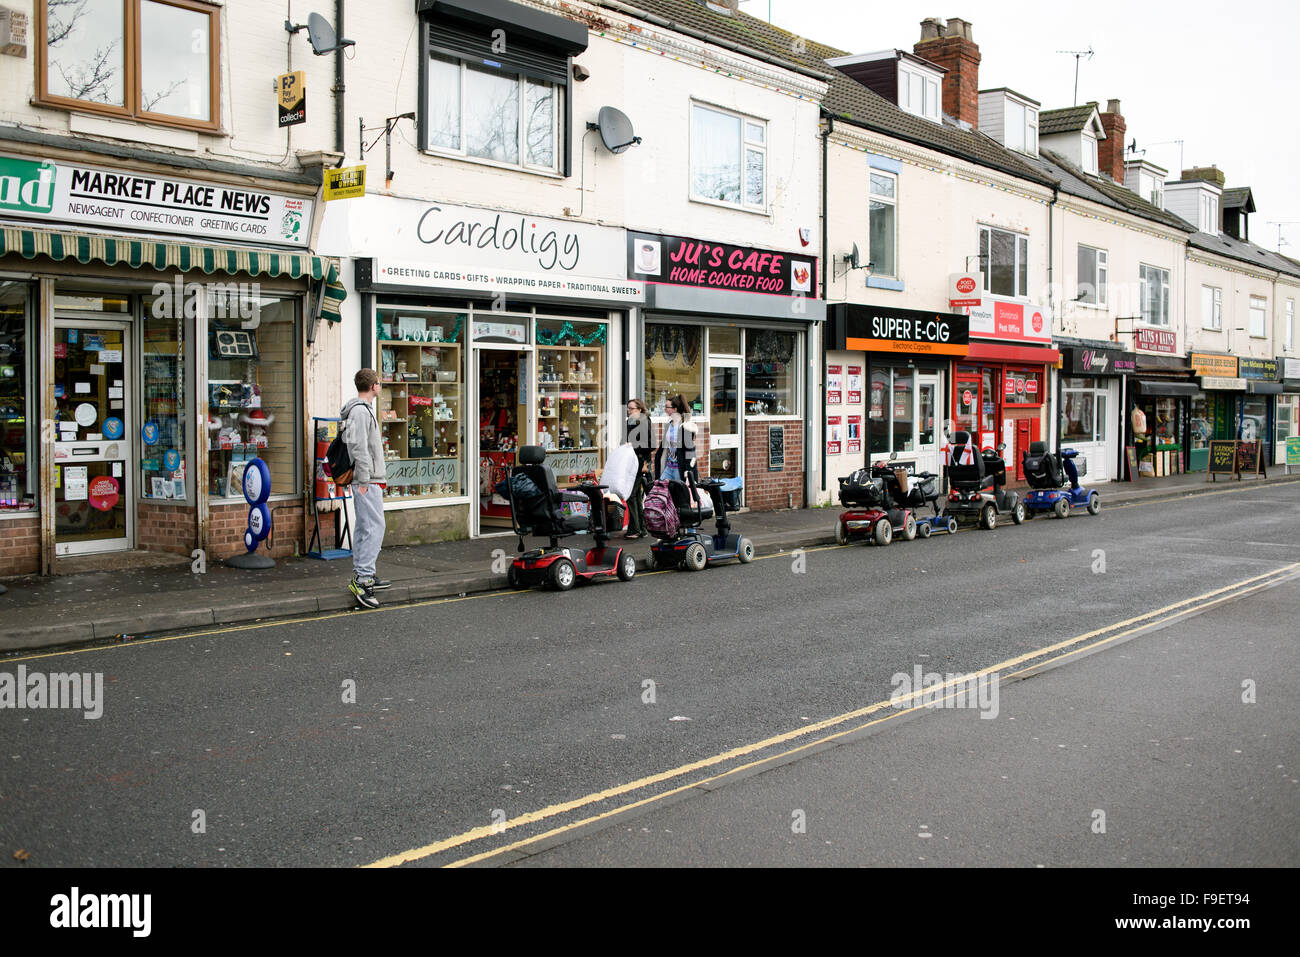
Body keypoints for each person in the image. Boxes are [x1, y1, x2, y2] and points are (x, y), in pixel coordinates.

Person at [342, 369, 390, 609]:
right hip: (366, 480)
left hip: (369, 478)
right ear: (374, 386)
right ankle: (363, 580)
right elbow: (358, 448)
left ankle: (362, 573)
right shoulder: (361, 412)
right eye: (378, 383)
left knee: (365, 527)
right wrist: (363, 481)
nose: (379, 387)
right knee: (374, 527)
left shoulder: (359, 411)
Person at [624, 398, 653, 539]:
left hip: (641, 462)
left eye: (632, 408)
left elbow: (651, 444)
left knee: (632, 495)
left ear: (640, 409)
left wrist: (644, 464)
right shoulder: (630, 422)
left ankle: (636, 529)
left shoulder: (644, 422)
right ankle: (640, 528)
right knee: (634, 496)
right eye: (628, 408)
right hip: (632, 461)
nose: (629, 411)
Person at [655, 394, 698, 483]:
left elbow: (690, 451)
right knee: (659, 487)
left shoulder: (685, 426)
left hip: (680, 469)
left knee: (679, 495)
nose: (664, 409)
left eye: (667, 407)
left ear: (675, 409)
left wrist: (688, 471)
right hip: (668, 467)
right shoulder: (669, 425)